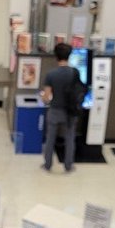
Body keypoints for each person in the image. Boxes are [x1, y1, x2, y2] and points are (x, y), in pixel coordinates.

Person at [40, 43, 87, 173]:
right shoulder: (75, 72)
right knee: (70, 138)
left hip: (55, 110)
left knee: (50, 138)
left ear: (56, 56)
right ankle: (68, 166)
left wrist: (43, 97)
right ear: (69, 56)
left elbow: (47, 96)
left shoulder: (51, 74)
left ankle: (47, 164)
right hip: (70, 111)